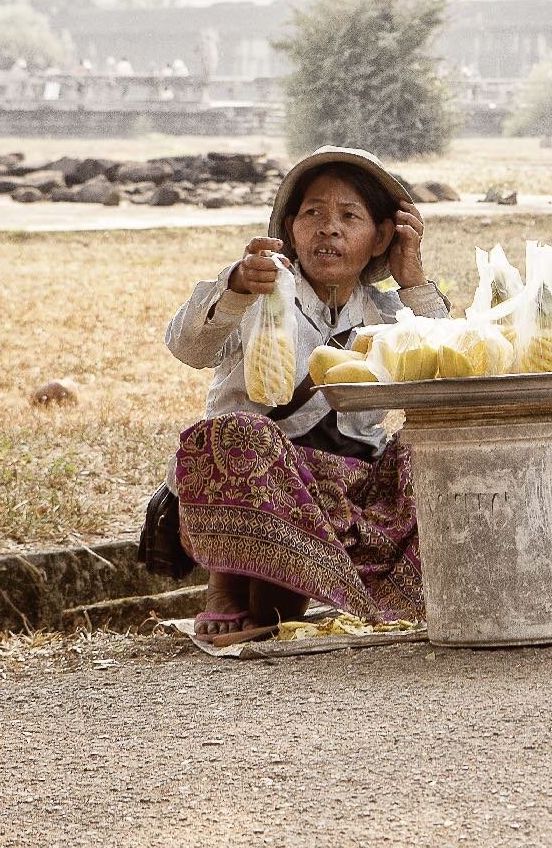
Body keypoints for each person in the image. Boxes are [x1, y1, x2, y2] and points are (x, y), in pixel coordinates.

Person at [160, 146, 449, 643]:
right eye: (313, 213)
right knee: (239, 434)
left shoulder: (387, 315)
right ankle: (229, 579)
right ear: (290, 230)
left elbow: (447, 375)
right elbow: (186, 346)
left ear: (381, 236)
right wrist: (234, 287)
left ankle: (308, 588)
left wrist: (414, 279)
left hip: (346, 497)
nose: (328, 228)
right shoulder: (259, 293)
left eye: (349, 216)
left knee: (427, 448)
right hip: (253, 485)